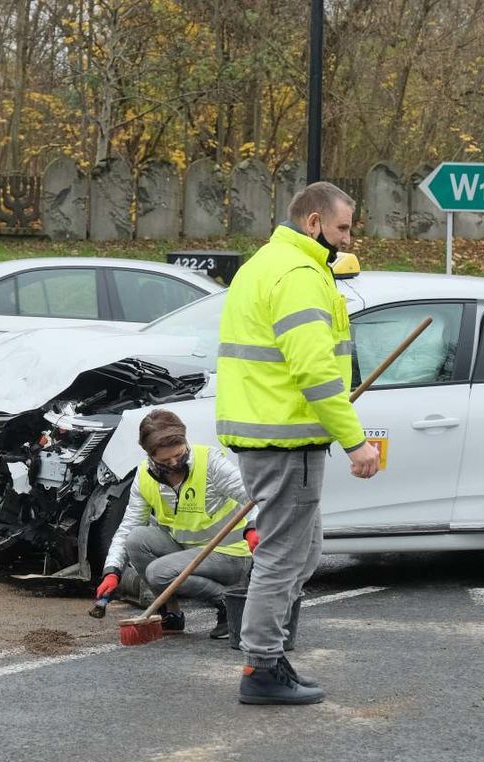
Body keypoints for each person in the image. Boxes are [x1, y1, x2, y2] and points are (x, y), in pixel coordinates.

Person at [215, 181, 380, 705]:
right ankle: (261, 667)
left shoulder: (264, 265)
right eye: (343, 228)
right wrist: (355, 442)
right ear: (313, 223)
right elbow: (313, 369)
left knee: (301, 553)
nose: (349, 240)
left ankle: (269, 657)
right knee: (286, 558)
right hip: (287, 439)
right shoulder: (299, 275)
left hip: (272, 433)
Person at [94, 409, 257, 639]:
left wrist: (254, 528)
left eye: (179, 455)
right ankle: (171, 614)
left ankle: (229, 603)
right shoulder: (144, 476)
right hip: (188, 552)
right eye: (165, 460)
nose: (174, 463)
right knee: (136, 539)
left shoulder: (209, 463)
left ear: (185, 442)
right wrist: (112, 571)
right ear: (149, 455)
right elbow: (128, 527)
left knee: (158, 573)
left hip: (229, 554)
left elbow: (255, 496)